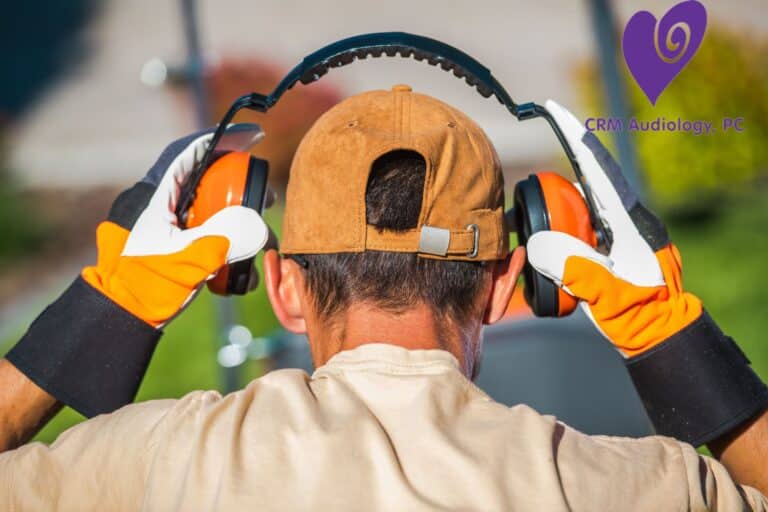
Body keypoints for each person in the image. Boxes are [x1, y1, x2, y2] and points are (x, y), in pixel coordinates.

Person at [0, 85, 766, 511]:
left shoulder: (157, 466)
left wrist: (103, 312)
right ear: (505, 286)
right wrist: (667, 334)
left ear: (282, 288)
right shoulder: (615, 487)